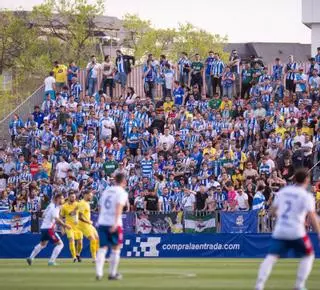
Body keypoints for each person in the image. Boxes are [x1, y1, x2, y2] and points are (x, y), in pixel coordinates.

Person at [255, 169, 320, 290]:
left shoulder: (284, 192)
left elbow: (273, 212)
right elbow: (312, 216)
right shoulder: (306, 196)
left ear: (294, 179)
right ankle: (299, 285)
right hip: (297, 231)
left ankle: (259, 285)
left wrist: (283, 217)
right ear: (307, 180)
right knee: (309, 255)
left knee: (271, 257)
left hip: (280, 230)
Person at [95, 173, 128, 280]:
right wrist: (115, 222)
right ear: (124, 182)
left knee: (102, 247)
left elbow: (100, 206)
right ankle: (112, 273)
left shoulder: (106, 191)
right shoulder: (122, 192)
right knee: (116, 248)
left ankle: (99, 273)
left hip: (102, 222)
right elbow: (119, 207)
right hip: (114, 223)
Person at [26, 193, 71, 266]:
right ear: (58, 199)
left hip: (43, 228)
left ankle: (30, 258)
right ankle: (51, 261)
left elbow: (43, 215)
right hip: (49, 229)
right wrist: (65, 225)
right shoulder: (55, 208)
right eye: (62, 198)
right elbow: (56, 219)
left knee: (43, 244)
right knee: (60, 244)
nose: (63, 200)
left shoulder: (51, 205)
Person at [60, 190, 83, 263]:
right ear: (69, 197)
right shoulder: (64, 206)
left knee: (80, 242)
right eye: (72, 197)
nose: (73, 198)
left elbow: (82, 215)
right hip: (69, 226)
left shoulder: (78, 204)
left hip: (78, 226)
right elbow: (61, 218)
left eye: (74, 196)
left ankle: (78, 254)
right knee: (71, 240)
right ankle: (74, 257)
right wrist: (62, 228)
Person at [77, 190, 99, 262]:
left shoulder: (86, 203)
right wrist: (88, 221)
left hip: (88, 224)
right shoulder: (82, 203)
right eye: (90, 195)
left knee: (97, 238)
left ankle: (99, 257)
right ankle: (94, 259)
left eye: (91, 195)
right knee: (93, 239)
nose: (91, 197)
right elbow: (80, 217)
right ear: (85, 195)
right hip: (83, 225)